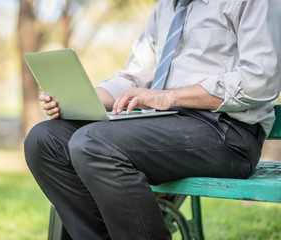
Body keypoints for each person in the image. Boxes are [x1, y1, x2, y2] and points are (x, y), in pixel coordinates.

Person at [24, 0, 281, 239]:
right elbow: (133, 78)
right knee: (44, 140)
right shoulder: (166, 8)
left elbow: (260, 80)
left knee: (93, 143)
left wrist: (170, 97)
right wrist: (78, 97)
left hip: (228, 132)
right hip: (167, 124)